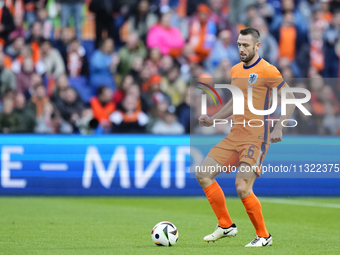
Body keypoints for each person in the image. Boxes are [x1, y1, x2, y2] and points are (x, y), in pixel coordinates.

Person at [196, 28, 296, 247]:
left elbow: (289, 98)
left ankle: (264, 236)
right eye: (239, 44)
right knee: (203, 174)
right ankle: (225, 225)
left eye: (246, 45)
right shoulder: (235, 70)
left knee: (242, 186)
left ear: (257, 46)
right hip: (235, 135)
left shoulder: (268, 70)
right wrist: (214, 119)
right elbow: (235, 102)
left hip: (256, 138)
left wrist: (279, 126)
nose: (241, 49)